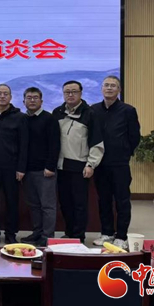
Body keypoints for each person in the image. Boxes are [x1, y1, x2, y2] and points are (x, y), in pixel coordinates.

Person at [91, 76, 141, 250]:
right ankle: (106, 233)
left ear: (119, 90)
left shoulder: (128, 110)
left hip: (119, 163)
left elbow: (134, 136)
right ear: (101, 88)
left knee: (122, 200)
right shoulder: (94, 110)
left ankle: (121, 236)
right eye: (106, 85)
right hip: (100, 163)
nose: (109, 88)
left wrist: (125, 152)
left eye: (113, 86)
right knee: (103, 199)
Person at [52, 80, 104, 244]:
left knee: (79, 203)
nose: (70, 95)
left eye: (74, 91)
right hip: (61, 165)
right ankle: (69, 233)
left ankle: (79, 236)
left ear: (81, 93)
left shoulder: (89, 114)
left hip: (80, 165)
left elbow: (96, 142)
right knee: (65, 202)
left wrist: (91, 164)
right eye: (67, 92)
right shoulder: (57, 112)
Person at [0, 84, 28, 244]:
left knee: (11, 202)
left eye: (5, 94)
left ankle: (10, 233)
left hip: (11, 167)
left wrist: (21, 168)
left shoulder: (20, 117)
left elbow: (24, 145)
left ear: (10, 97)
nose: (2, 96)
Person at [21, 87, 60, 247]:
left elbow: (55, 144)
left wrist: (50, 166)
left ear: (41, 101)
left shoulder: (49, 119)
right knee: (34, 205)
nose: (32, 100)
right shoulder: (23, 119)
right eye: (29, 98)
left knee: (47, 205)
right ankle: (37, 232)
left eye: (35, 97)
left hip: (45, 171)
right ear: (24, 101)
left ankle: (47, 235)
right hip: (28, 170)